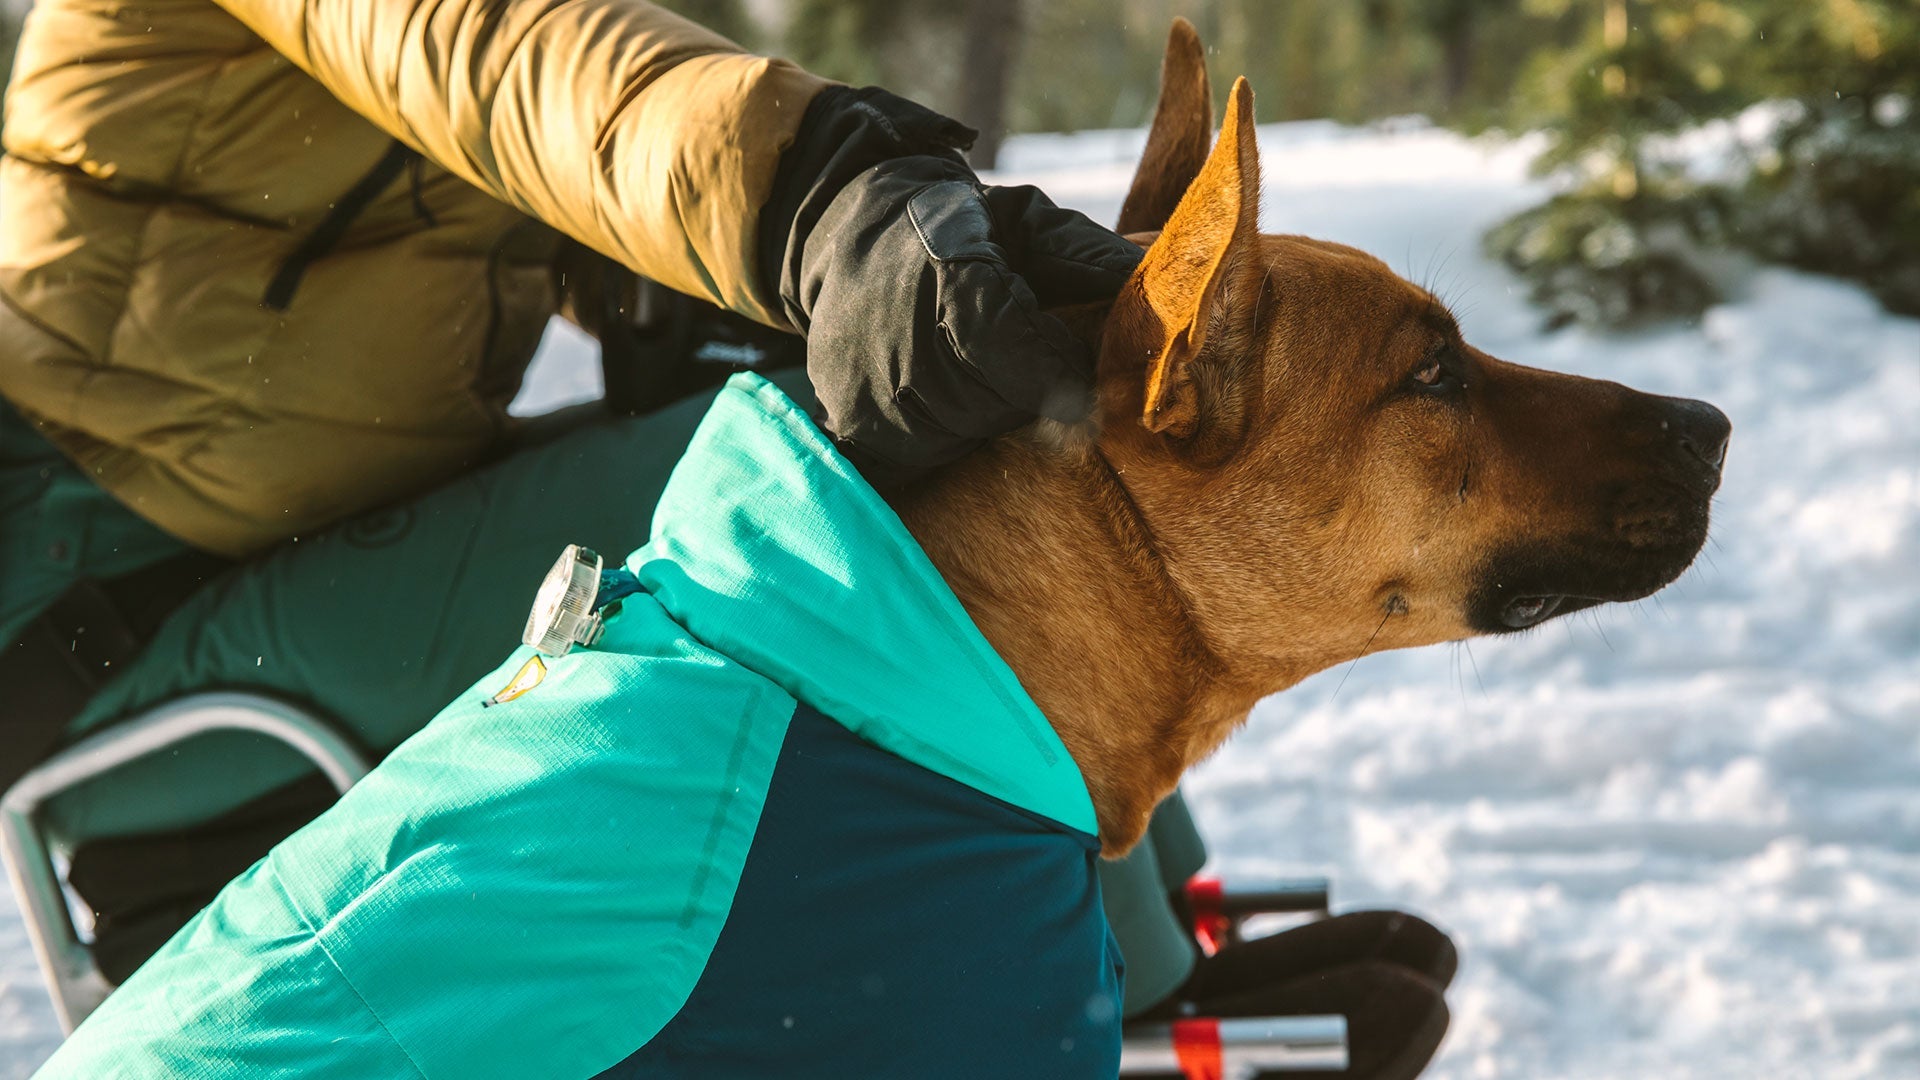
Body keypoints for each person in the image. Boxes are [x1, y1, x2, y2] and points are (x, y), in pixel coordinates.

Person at [0, 0, 1451, 1074]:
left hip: (275, 544)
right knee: (809, 497)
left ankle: (1146, 925)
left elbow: (515, 162)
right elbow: (519, 68)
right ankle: (1109, 985)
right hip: (109, 615)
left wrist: (750, 279)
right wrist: (828, 191)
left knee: (946, 416)